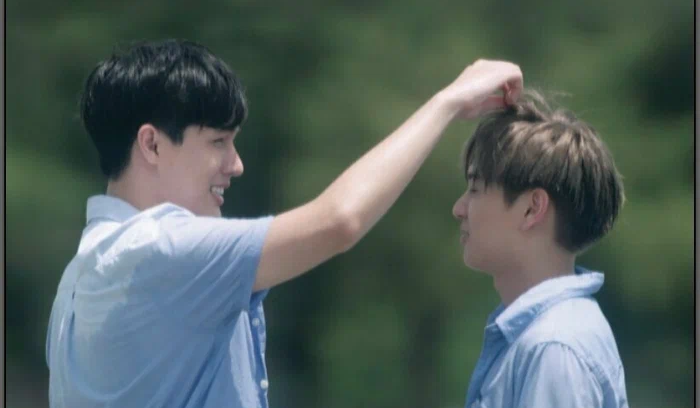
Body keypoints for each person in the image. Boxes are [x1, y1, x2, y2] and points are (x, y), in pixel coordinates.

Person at [45, 39, 523, 408]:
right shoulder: (160, 250)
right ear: (151, 145)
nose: (236, 164)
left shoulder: (77, 281)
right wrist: (449, 102)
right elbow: (339, 220)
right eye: (218, 142)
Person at [452, 90, 629, 408]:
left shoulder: (553, 347)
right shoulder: (549, 336)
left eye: (475, 189)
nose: (459, 209)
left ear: (532, 208)